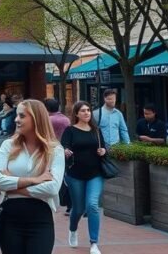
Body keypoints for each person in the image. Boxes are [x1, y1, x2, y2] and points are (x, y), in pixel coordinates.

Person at [0, 99, 65, 254]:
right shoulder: (8, 145)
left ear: (37, 118)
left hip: (40, 219)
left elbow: (52, 188)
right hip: (10, 218)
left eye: (22, 116)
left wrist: (14, 186)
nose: (16, 119)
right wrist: (34, 180)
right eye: (17, 115)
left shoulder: (54, 150)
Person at [62, 101, 108, 254]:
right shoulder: (70, 130)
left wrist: (103, 151)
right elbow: (64, 146)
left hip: (95, 174)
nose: (87, 113)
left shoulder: (96, 130)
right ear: (76, 114)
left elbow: (104, 147)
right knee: (78, 209)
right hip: (75, 175)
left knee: (92, 205)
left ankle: (94, 243)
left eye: (88, 110)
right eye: (83, 110)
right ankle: (73, 229)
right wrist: (66, 151)